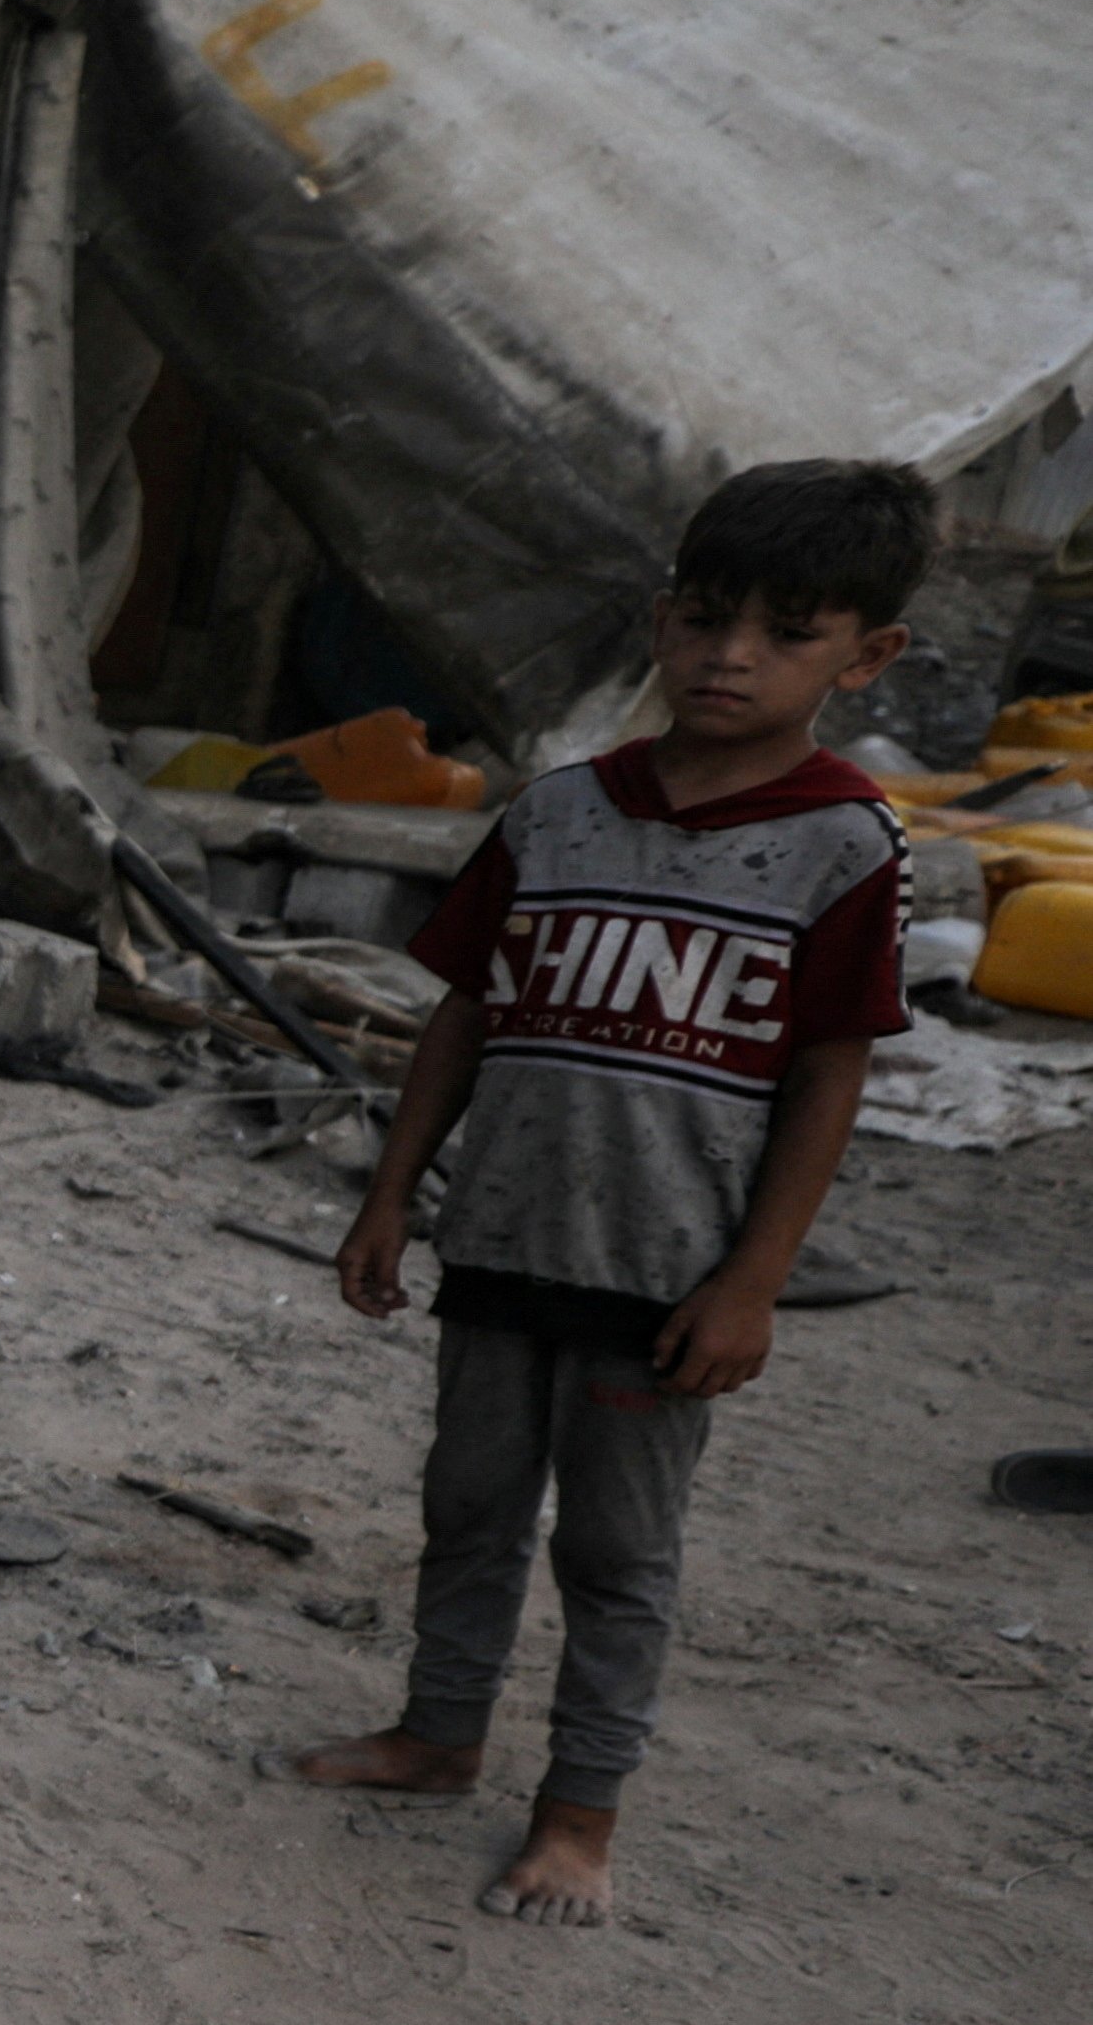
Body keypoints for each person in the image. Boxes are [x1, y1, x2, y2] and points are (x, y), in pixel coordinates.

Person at [285, 459, 923, 1925]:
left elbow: (829, 1072)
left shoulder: (844, 844)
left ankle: (579, 1814)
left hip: (666, 1274)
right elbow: (462, 1016)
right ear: (660, 620)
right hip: (505, 1231)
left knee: (618, 1547)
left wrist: (753, 1279)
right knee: (470, 1501)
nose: (731, 657)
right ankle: (440, 1734)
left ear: (867, 654)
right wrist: (392, 1196)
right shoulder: (560, 812)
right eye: (703, 621)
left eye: (787, 631)